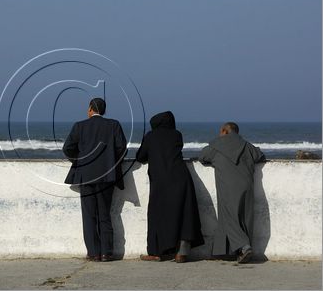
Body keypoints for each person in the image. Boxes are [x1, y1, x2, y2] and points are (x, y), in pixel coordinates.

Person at [63, 97, 127, 262]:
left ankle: (93, 252)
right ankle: (107, 252)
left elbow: (67, 148)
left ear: (91, 109)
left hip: (86, 176)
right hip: (107, 176)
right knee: (105, 214)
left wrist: (81, 161)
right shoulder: (114, 125)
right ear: (103, 110)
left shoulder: (80, 126)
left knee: (89, 215)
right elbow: (121, 149)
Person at [136, 111, 204, 263]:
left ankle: (156, 252)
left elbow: (140, 157)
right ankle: (181, 253)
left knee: (157, 216)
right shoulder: (177, 135)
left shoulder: (150, 136)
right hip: (181, 177)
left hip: (161, 181)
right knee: (184, 214)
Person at [198, 122, 265, 263]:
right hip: (247, 186)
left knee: (229, 218)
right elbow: (260, 156)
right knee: (244, 218)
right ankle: (226, 252)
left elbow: (202, 157)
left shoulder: (216, 147)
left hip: (227, 187)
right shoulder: (246, 146)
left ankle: (245, 247)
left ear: (224, 131)